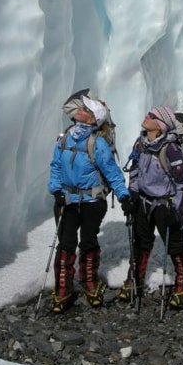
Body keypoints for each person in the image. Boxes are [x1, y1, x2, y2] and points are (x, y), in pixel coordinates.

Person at [48, 90, 134, 313]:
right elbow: (55, 166)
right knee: (66, 244)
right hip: (66, 199)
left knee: (87, 241)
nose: (80, 110)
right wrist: (55, 190)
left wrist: (124, 196)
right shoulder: (65, 137)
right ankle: (63, 288)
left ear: (93, 118)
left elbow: (113, 172)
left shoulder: (98, 143)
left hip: (91, 202)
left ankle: (89, 282)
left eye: (86, 109)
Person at [118, 106, 183, 308]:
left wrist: (177, 212)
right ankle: (134, 281)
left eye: (152, 116)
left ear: (160, 125)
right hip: (143, 201)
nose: (146, 116)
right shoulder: (141, 144)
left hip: (164, 205)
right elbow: (134, 170)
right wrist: (133, 193)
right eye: (148, 113)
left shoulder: (170, 149)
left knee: (175, 245)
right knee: (140, 241)